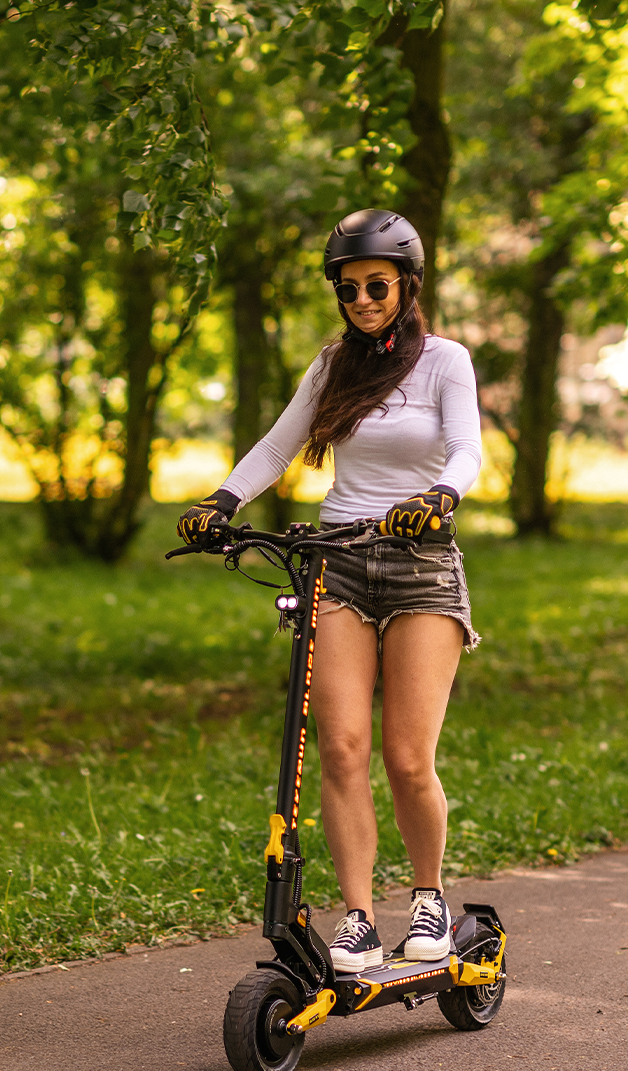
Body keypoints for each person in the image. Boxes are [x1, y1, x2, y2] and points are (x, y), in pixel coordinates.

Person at [177, 209, 481, 972]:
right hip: (337, 561)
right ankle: (356, 917)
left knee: (408, 757)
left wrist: (442, 495)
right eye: (349, 289)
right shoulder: (333, 363)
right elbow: (281, 443)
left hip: (418, 562)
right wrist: (224, 502)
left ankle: (428, 897)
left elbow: (467, 444)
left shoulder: (446, 360)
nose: (363, 300)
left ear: (407, 284)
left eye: (377, 286)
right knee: (342, 750)